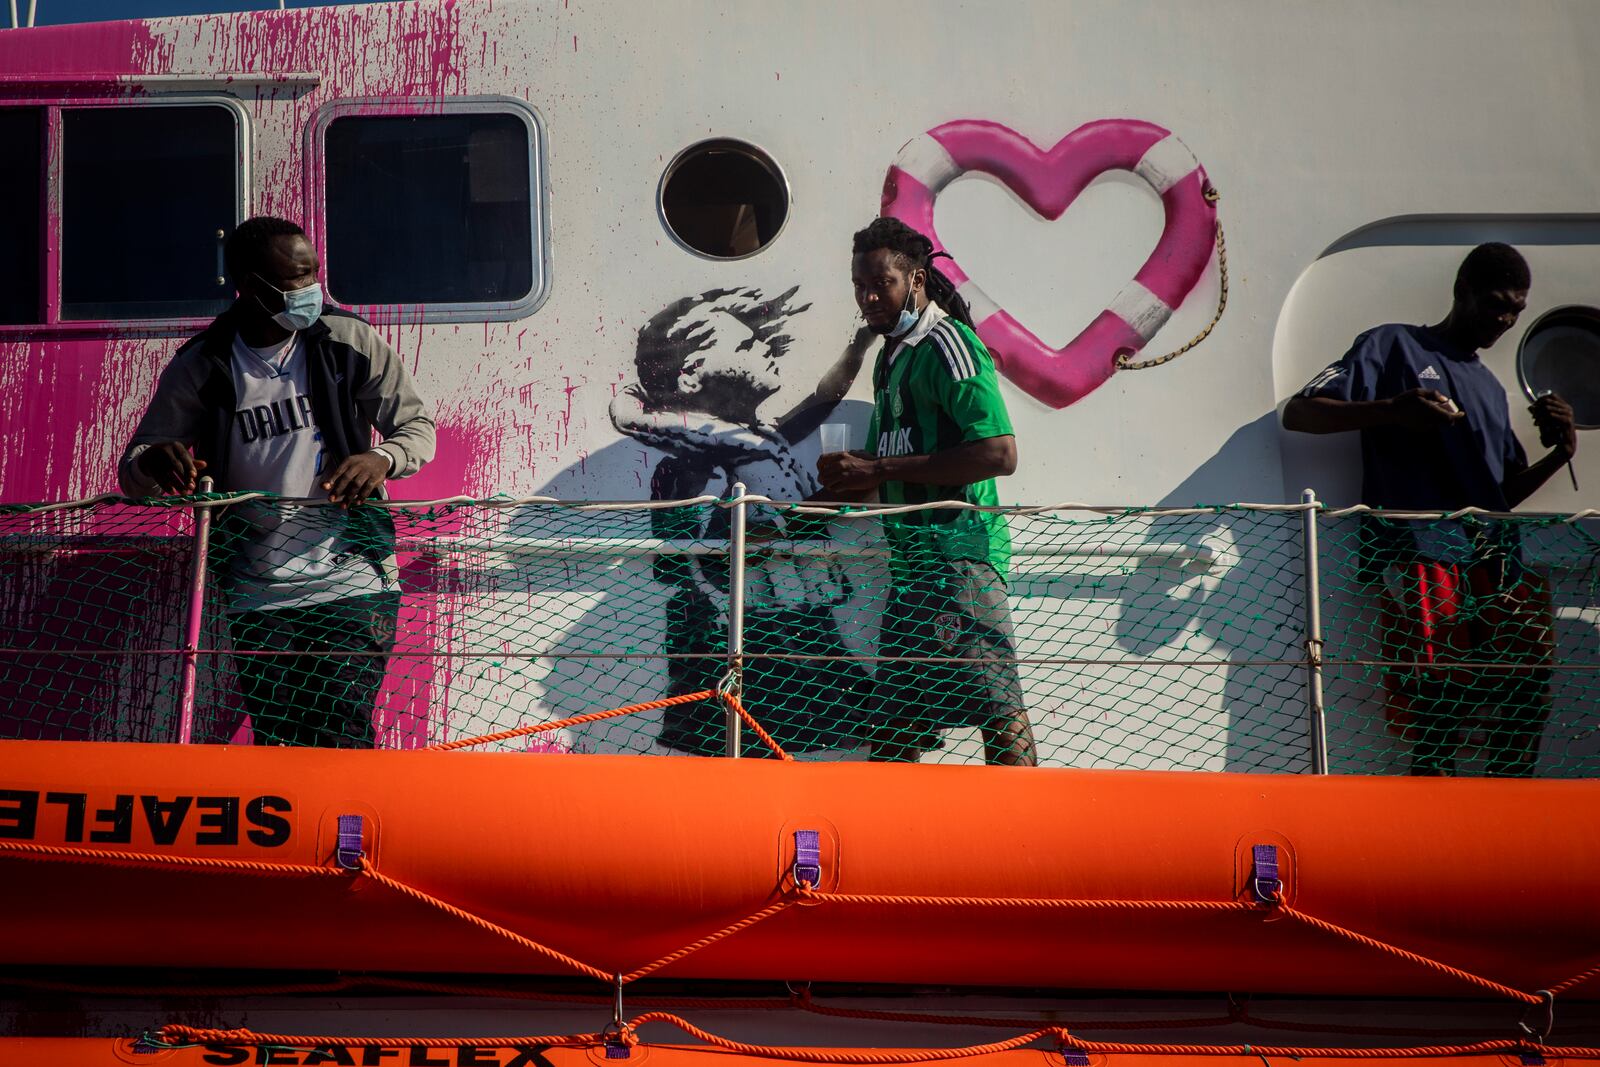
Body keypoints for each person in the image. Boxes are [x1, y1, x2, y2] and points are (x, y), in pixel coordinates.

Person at [118, 215, 436, 747]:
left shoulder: (347, 339)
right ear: (249, 282)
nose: (311, 289)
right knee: (279, 739)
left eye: (313, 274)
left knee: (340, 730)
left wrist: (381, 459)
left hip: (352, 575)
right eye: (295, 279)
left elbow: (417, 427)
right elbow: (135, 470)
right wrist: (155, 464)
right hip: (256, 588)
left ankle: (353, 831)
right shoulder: (203, 363)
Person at [1282, 242, 1575, 776]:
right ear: (1462, 292)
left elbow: (1499, 496)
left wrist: (1561, 454)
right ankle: (1438, 822)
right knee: (1442, 702)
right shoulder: (1393, 346)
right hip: (1420, 555)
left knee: (1527, 687)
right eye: (1495, 304)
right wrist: (1391, 412)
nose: (1505, 320)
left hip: (1494, 566)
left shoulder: (1488, 386)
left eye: (1516, 310)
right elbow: (1300, 413)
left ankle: (1507, 813)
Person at [610, 286, 877, 756]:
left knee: (828, 726)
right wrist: (631, 413)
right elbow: (695, 549)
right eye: (746, 345)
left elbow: (823, 398)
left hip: (799, 624)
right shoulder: (711, 449)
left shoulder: (761, 438)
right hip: (754, 635)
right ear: (692, 374)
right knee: (757, 739)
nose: (765, 349)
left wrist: (858, 346)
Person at [818, 217, 1036, 766]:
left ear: (915, 280)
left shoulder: (949, 344)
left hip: (960, 561)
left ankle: (1028, 835)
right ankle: (888, 846)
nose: (868, 298)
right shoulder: (890, 357)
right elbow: (883, 472)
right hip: (911, 569)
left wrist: (877, 468)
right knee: (893, 732)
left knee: (998, 711)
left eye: (881, 284)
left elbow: (999, 453)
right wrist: (802, 510)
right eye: (859, 287)